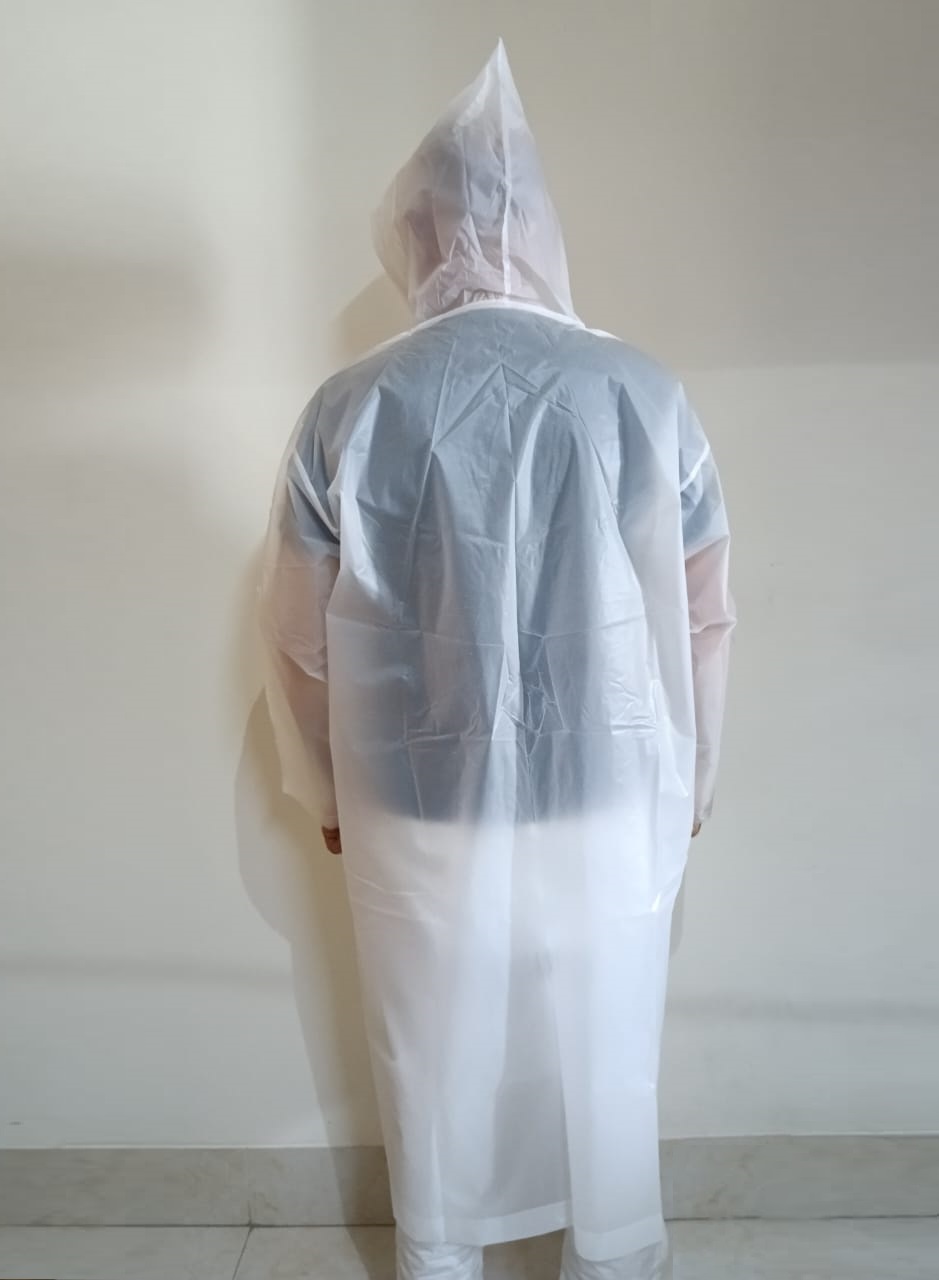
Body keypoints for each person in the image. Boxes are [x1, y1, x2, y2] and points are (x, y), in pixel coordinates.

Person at [258, 40, 735, 1280]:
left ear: (416, 234)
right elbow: (703, 615)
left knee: (435, 1042)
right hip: (608, 788)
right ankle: (611, 1258)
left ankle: (440, 1257)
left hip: (418, 798)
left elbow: (299, 635)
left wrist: (325, 786)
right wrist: (691, 778)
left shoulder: (349, 407)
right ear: (539, 224)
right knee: (604, 1041)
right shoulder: (641, 392)